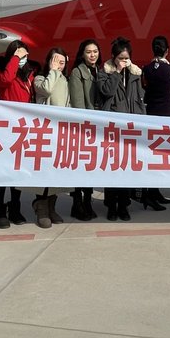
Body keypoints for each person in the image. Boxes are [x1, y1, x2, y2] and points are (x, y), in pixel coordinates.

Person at [95, 37, 145, 220]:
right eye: (121, 58)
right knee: (112, 167)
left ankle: (124, 204)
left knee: (127, 168)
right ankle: (111, 205)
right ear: (114, 57)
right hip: (112, 126)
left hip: (130, 127)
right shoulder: (105, 72)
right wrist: (116, 72)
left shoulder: (135, 74)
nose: (124, 61)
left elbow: (139, 98)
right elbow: (106, 91)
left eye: (126, 58)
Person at [0, 40, 32, 228]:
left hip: (22, 127)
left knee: (17, 170)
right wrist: (15, 59)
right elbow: (6, 80)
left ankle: (15, 206)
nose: (22, 57)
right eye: (18, 53)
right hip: (5, 126)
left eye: (24, 54)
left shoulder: (29, 73)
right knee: (1, 169)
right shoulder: (1, 70)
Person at [29, 47, 71, 228]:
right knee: (43, 171)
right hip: (44, 131)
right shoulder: (40, 78)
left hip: (60, 131)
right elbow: (46, 90)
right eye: (55, 61)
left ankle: (51, 206)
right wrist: (53, 71)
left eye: (62, 63)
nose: (59, 65)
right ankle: (41, 207)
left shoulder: (65, 80)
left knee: (56, 171)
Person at [138, 35, 170, 208]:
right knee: (161, 156)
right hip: (167, 116)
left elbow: (144, 87)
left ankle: (152, 192)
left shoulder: (146, 68)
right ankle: (150, 194)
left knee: (152, 155)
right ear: (167, 51)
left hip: (151, 114)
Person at [66, 38, 101, 221]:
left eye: (95, 51)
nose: (92, 55)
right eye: (88, 52)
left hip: (98, 126)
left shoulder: (99, 71)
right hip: (84, 127)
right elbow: (78, 104)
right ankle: (77, 203)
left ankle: (87, 201)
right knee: (81, 167)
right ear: (82, 54)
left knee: (92, 167)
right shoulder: (77, 73)